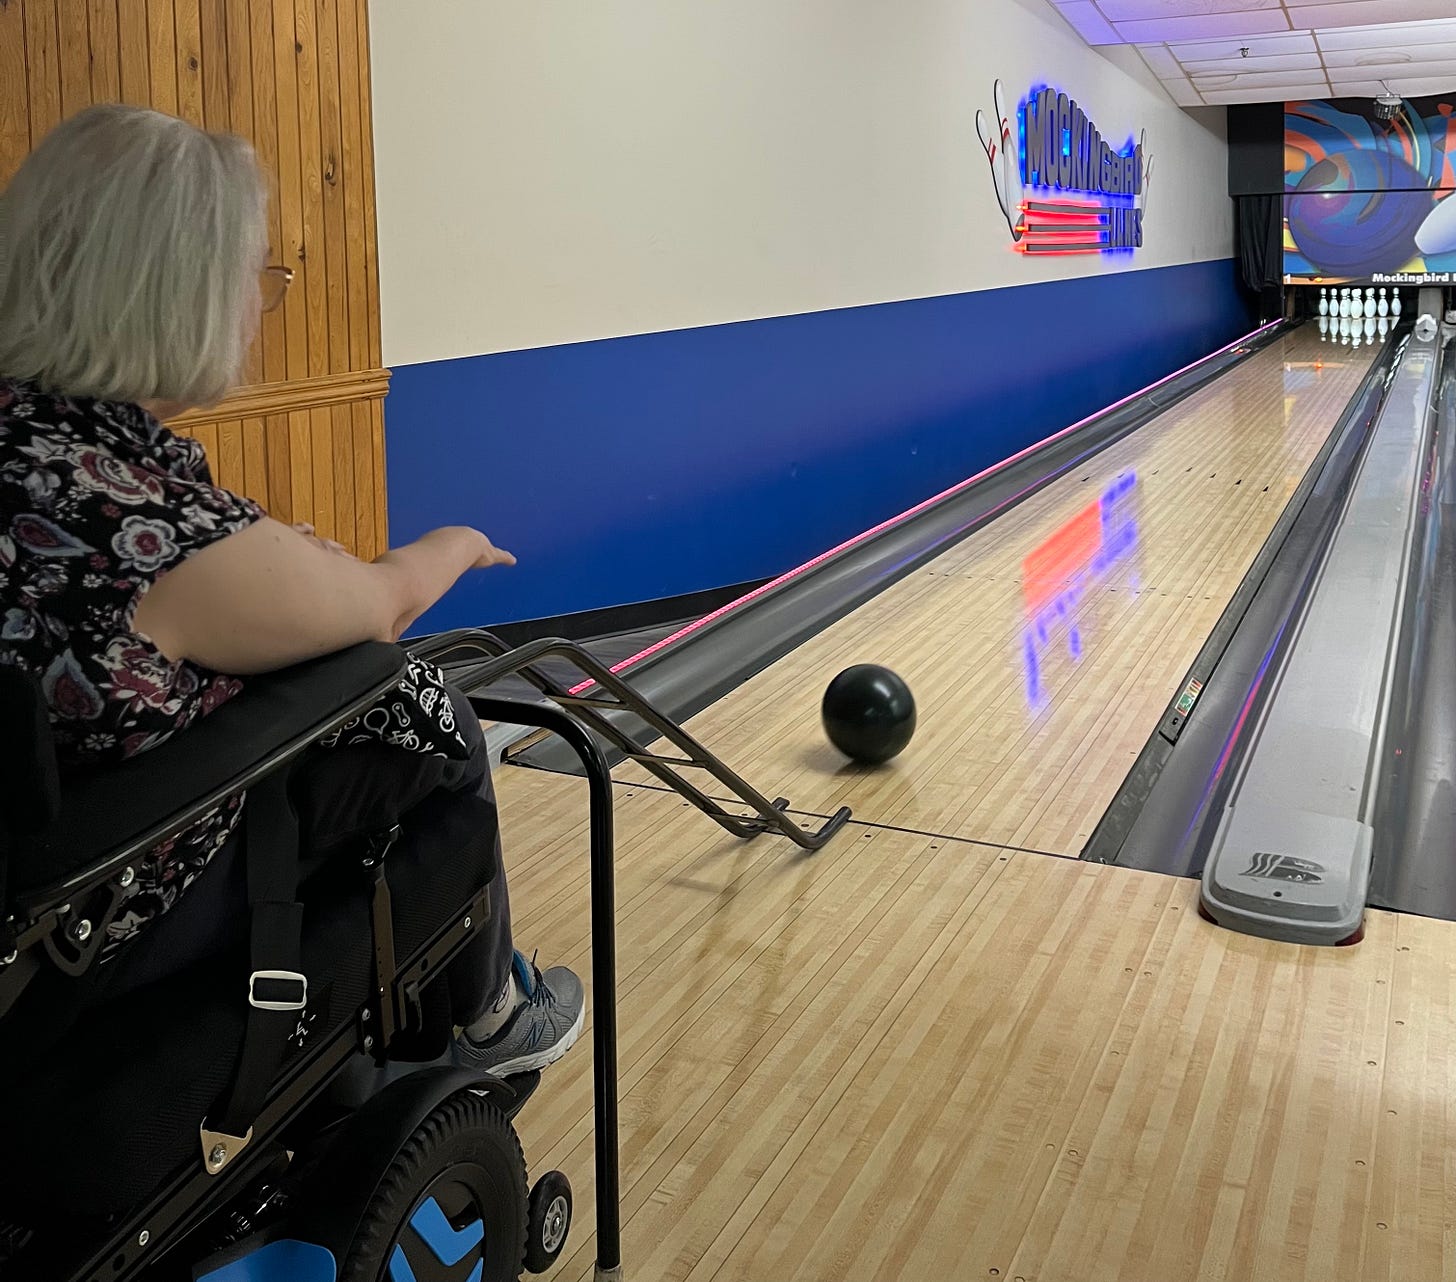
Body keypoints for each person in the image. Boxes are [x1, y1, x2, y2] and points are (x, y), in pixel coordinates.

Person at [0, 104, 583, 1076]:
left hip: (35, 896)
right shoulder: (137, 519)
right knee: (415, 701)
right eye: (256, 278)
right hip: (82, 929)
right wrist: (451, 543)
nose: (258, 307)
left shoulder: (45, 446)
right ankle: (489, 1016)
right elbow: (381, 602)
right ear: (178, 292)